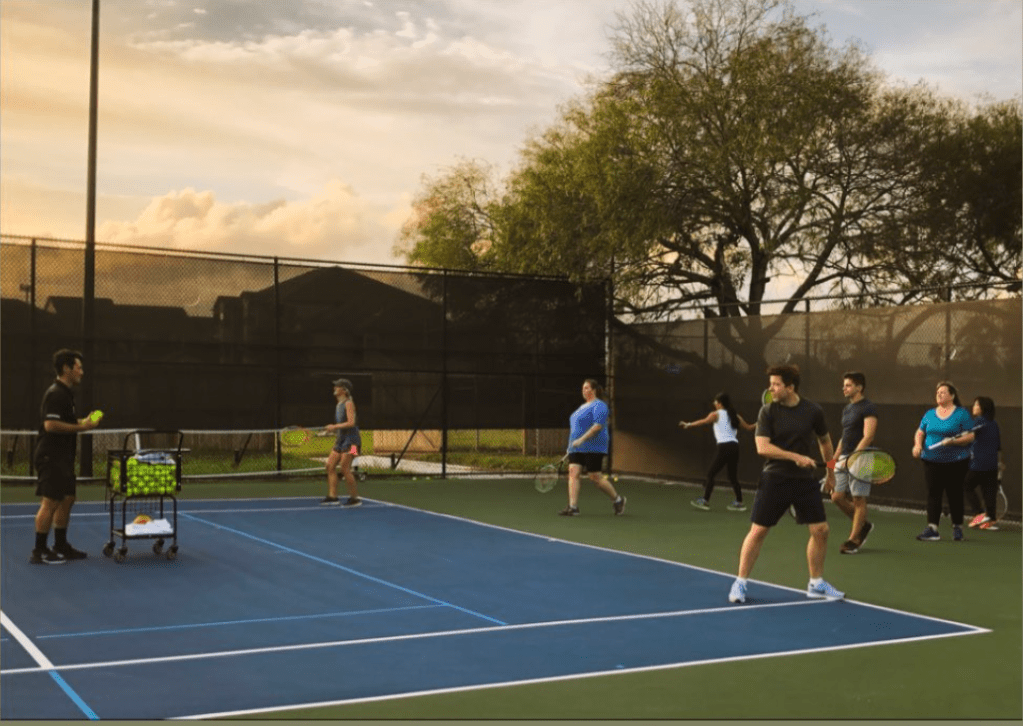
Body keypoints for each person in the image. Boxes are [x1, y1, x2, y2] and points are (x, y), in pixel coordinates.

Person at [728, 364, 843, 604]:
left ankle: (816, 583)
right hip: (775, 477)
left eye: (776, 384)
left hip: (805, 481)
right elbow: (762, 447)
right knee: (758, 531)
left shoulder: (813, 411)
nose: (770, 389)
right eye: (770, 384)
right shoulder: (767, 411)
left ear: (790, 388)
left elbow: (825, 442)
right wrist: (795, 457)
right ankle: (740, 582)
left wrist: (830, 472)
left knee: (821, 530)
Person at [31, 349, 100, 564]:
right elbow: (50, 425)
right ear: (66, 368)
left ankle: (60, 545)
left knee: (67, 498)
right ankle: (39, 551)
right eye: (78, 368)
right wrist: (82, 428)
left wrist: (83, 421)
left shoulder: (66, 394)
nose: (82, 372)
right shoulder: (56, 393)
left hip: (63, 458)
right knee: (50, 502)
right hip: (50, 456)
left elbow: (65, 421)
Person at [822, 372, 878, 554]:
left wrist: (854, 456)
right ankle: (864, 525)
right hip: (844, 457)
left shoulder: (868, 407)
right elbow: (844, 437)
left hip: (863, 457)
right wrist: (833, 461)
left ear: (859, 387)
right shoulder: (847, 409)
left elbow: (868, 435)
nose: (844, 388)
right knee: (836, 497)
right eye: (844, 385)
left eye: (848, 385)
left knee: (858, 498)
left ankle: (854, 539)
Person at [912, 381, 974, 542]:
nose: (939, 394)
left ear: (952, 396)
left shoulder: (961, 414)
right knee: (933, 493)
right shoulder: (929, 414)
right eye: (937, 392)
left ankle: (957, 527)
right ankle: (932, 529)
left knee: (955, 493)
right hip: (931, 461)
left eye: (943, 392)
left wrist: (953, 441)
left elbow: (970, 435)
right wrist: (917, 445)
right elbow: (920, 432)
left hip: (956, 462)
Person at [559, 378, 626, 517]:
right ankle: (573, 507)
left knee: (595, 477)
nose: (584, 390)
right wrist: (571, 445)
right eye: (583, 388)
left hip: (594, 446)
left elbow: (597, 426)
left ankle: (618, 500)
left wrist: (581, 439)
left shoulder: (600, 406)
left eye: (587, 388)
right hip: (576, 447)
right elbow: (576, 429)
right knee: (573, 472)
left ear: (594, 390)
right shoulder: (581, 408)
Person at [679, 392, 755, 512]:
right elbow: (750, 427)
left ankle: (705, 501)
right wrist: (762, 421)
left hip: (724, 447)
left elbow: (704, 421)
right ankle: (739, 502)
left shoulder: (716, 414)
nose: (714, 403)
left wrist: (688, 424)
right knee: (732, 477)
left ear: (720, 403)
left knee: (711, 474)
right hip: (734, 447)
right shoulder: (735, 416)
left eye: (715, 402)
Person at [320, 378, 363, 507]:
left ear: (344, 390)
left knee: (345, 468)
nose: (334, 388)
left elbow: (351, 423)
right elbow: (342, 426)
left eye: (337, 386)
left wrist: (334, 426)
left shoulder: (348, 403)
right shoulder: (338, 405)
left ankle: (354, 498)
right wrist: (331, 431)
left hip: (353, 442)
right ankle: (333, 497)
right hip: (341, 440)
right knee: (330, 466)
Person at [964, 396, 1003, 530]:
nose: (973, 407)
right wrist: (1000, 463)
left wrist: (951, 441)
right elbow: (998, 446)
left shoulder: (979, 421)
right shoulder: (994, 423)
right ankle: (990, 520)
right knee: (989, 492)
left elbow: (969, 436)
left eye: (976, 405)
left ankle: (979, 513)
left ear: (983, 408)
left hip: (979, 464)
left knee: (967, 485)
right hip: (992, 465)